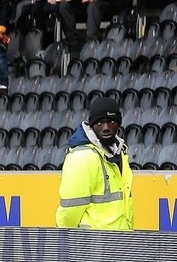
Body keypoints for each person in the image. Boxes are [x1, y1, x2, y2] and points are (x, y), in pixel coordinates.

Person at [56, 96, 133, 230]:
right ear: (92, 124)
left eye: (111, 121)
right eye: (99, 123)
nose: (106, 127)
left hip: (118, 244)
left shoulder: (120, 153)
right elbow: (69, 213)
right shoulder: (82, 157)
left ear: (119, 123)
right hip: (90, 246)